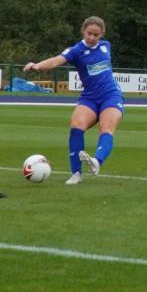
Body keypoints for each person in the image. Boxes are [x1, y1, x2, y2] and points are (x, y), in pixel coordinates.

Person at [23, 16, 123, 185]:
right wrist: (37, 65)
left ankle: (97, 161)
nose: (92, 37)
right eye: (89, 33)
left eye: (96, 35)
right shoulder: (76, 51)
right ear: (83, 31)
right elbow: (55, 61)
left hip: (111, 95)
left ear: (102, 34)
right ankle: (76, 173)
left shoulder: (106, 46)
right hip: (89, 98)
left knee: (106, 128)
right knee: (76, 127)